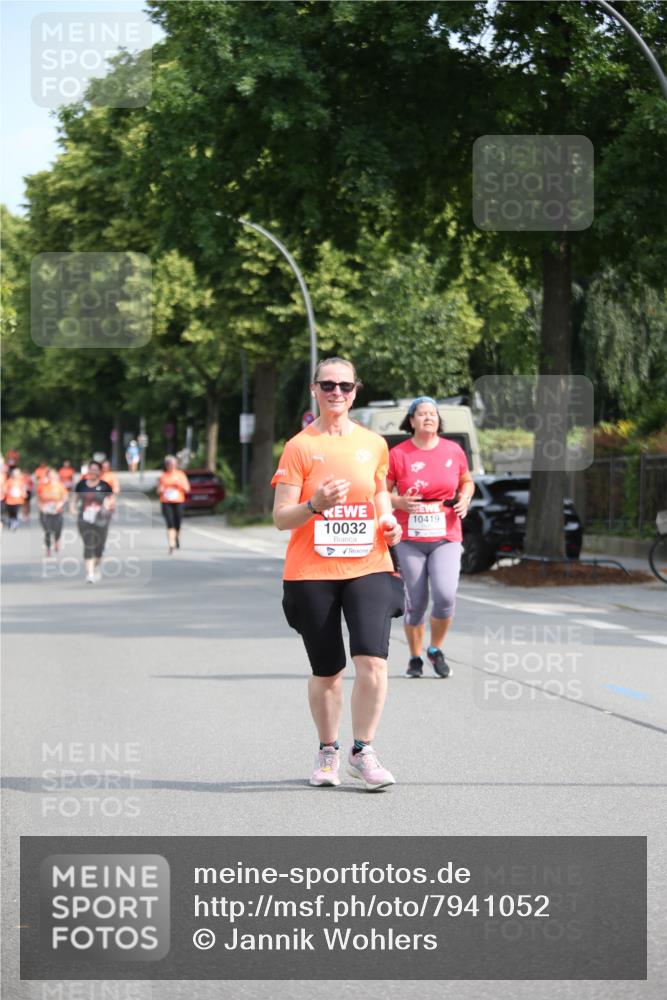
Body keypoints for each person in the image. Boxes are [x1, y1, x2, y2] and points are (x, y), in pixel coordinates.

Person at [272, 357, 403, 792]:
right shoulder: (299, 446)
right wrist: (315, 505)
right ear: (315, 390)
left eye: (345, 386)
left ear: (355, 391)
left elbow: (380, 492)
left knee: (373, 662)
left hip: (369, 563)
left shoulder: (374, 444)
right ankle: (327, 750)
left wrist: (388, 521)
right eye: (328, 385)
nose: (337, 393)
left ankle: (363, 751)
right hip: (312, 571)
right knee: (328, 671)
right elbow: (280, 518)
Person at [387, 396, 474, 679]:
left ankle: (435, 649)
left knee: (446, 595)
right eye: (422, 413)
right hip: (410, 537)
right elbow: (381, 493)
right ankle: (414, 657)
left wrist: (465, 498)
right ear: (411, 420)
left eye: (433, 414)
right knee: (417, 600)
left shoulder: (454, 450)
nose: (428, 417)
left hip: (446, 533)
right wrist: (398, 502)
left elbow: (467, 481)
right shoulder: (398, 454)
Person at [70, 459, 114, 583]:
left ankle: (96, 565)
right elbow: (75, 497)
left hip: (101, 519)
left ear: (100, 472)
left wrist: (107, 504)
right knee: (88, 545)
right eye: (91, 469)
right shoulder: (81, 484)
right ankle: (89, 573)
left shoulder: (105, 485)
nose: (93, 472)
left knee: (99, 547)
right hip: (84, 518)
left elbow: (111, 499)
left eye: (96, 470)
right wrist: (72, 507)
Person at [157, 455, 190, 553]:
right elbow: (158, 490)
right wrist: (161, 489)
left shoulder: (181, 475)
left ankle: (176, 537)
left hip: (179, 501)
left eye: (172, 464)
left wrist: (179, 484)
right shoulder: (163, 476)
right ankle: (171, 544)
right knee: (170, 523)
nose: (170, 466)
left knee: (177, 523)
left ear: (175, 465)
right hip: (166, 502)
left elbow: (187, 489)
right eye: (168, 464)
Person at [37, 467, 68, 556]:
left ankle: (57, 540)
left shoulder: (60, 485)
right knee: (47, 531)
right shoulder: (42, 486)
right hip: (45, 511)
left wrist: (60, 504)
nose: (51, 477)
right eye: (49, 476)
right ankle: (48, 548)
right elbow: (38, 498)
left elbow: (65, 496)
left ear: (56, 476)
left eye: (53, 476)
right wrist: (41, 507)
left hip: (57, 511)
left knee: (58, 529)